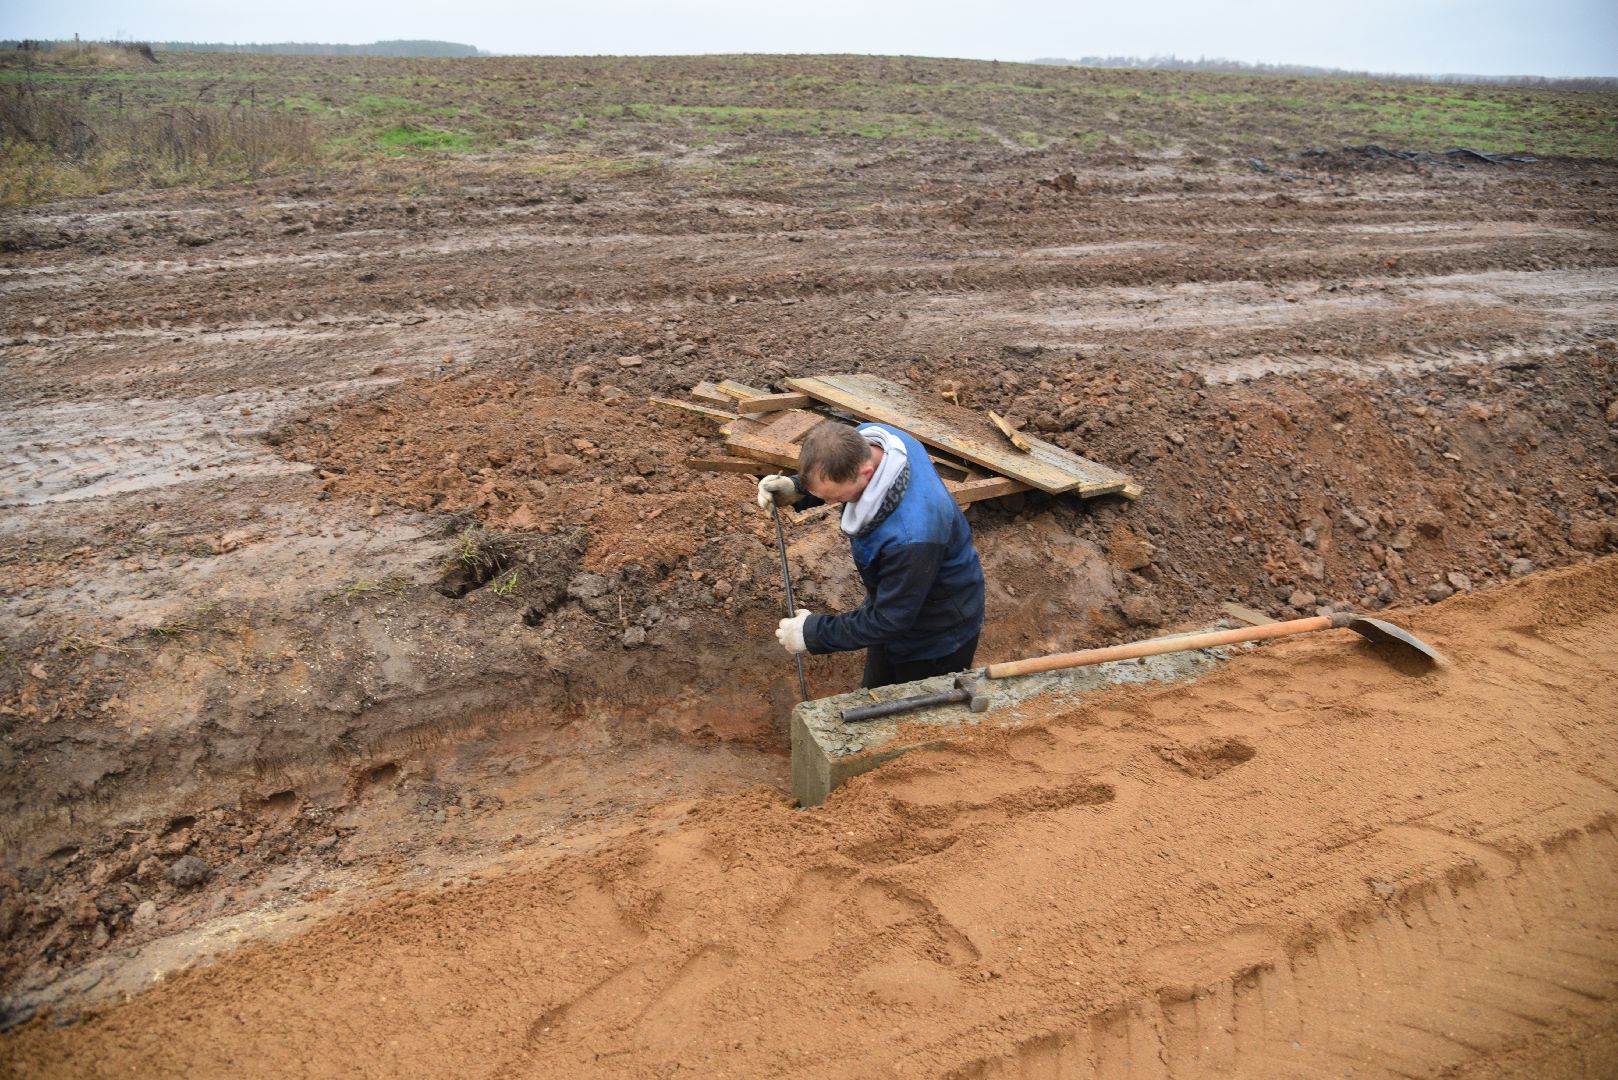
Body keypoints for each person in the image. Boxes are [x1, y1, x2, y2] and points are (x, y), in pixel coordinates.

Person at [757, 420, 985, 689]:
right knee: (875, 694)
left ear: (866, 473)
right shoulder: (875, 440)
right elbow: (838, 474)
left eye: (836, 498)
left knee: (913, 719)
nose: (831, 503)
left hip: (937, 636)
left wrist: (812, 633)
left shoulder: (911, 537)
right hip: (897, 608)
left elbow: (890, 619)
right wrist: (798, 490)